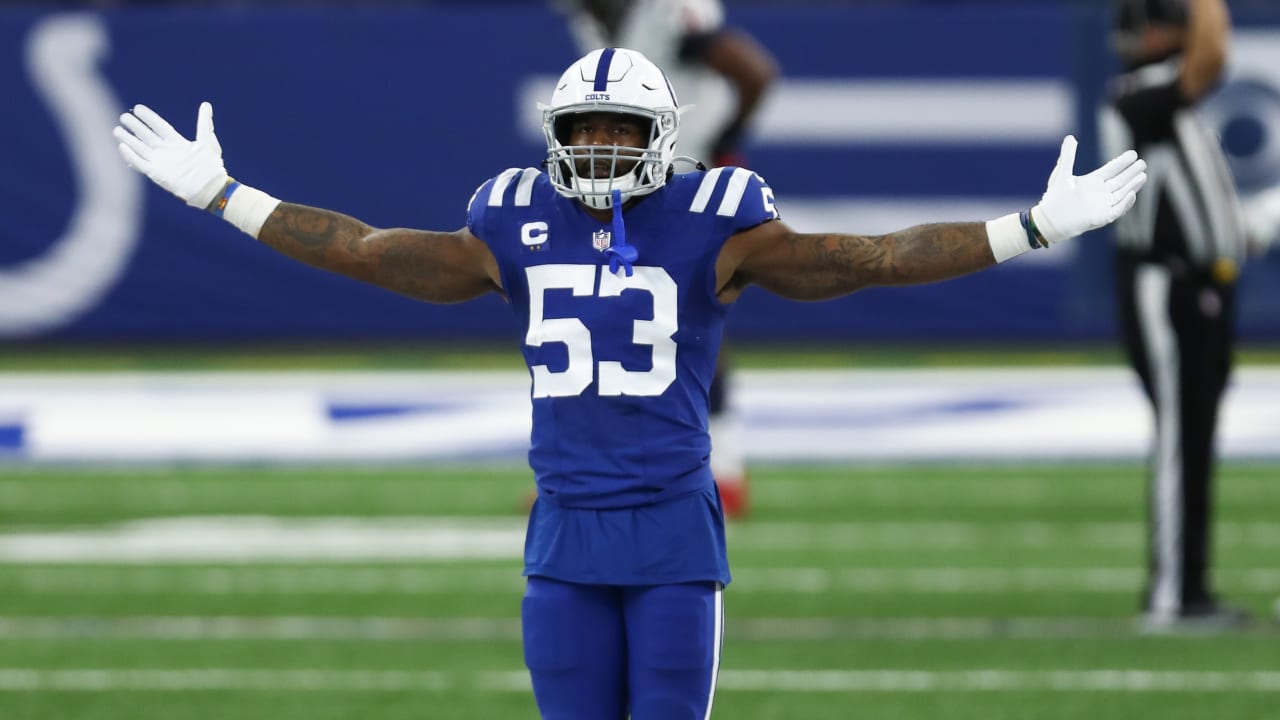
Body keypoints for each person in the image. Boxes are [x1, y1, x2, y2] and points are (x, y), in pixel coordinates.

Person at [114, 47, 1145, 719]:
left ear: (660, 136)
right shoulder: (508, 219)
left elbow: (864, 258)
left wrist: (1032, 228)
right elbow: (373, 251)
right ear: (555, 138)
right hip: (563, 527)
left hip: (668, 524)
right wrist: (222, 195)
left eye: (619, 126)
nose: (600, 145)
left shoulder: (717, 216)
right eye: (583, 128)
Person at [554, 0, 779, 518]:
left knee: (689, 317)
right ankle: (611, 469)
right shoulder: (591, 17)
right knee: (624, 318)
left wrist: (723, 139)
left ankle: (722, 470)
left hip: (680, 178)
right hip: (632, 182)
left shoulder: (668, 11)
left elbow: (752, 69)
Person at [1102, 0, 1259, 631]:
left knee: (1193, 440)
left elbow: (1219, 223)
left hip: (1199, 290)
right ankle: (1173, 595)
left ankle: (1190, 586)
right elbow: (1213, 55)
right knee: (1179, 439)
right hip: (1163, 289)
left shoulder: (1174, 110)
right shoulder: (1140, 95)